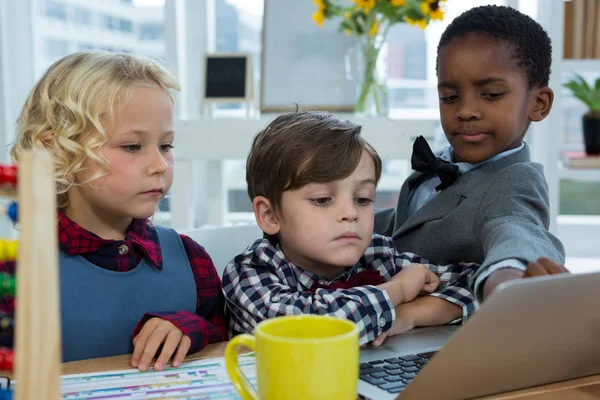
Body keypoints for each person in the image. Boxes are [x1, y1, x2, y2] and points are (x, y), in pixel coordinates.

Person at [4, 51, 227, 370]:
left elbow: (226, 341)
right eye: (132, 147)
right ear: (55, 152)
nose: (159, 165)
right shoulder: (13, 275)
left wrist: (191, 329)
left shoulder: (193, 261)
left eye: (166, 146)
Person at [222, 111, 478, 345]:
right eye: (322, 199)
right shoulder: (249, 273)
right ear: (269, 215)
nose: (350, 213)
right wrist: (397, 291)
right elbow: (316, 327)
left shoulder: (377, 255)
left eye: (363, 199)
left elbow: (483, 286)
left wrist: (409, 314)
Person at [374, 5, 568, 302]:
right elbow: (405, 226)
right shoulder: (437, 162)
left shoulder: (515, 182)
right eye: (449, 97)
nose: (465, 111)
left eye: (491, 95)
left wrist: (508, 279)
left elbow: (517, 229)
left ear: (538, 103)